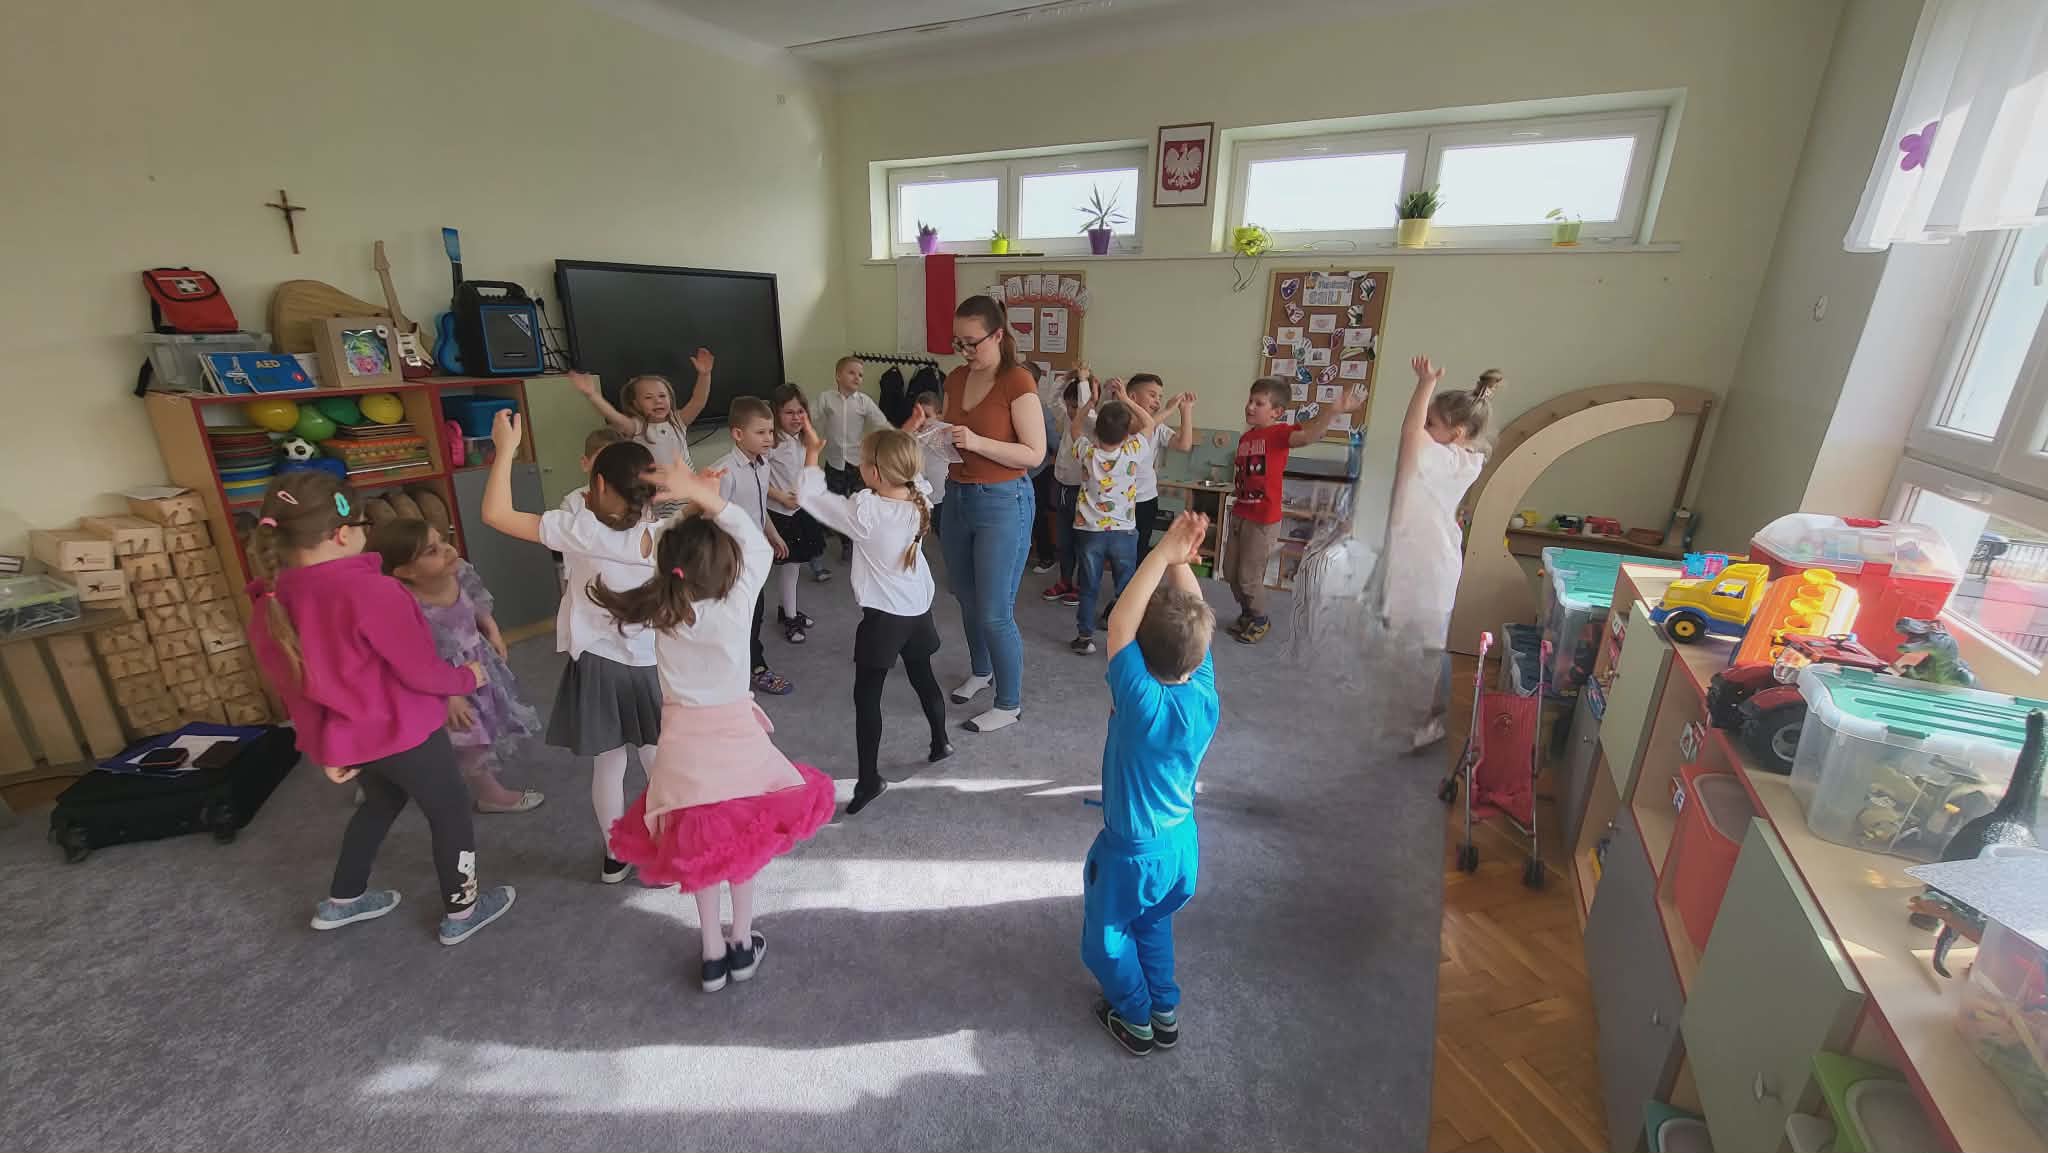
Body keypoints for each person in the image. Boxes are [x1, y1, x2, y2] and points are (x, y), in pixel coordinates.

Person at [588, 452, 836, 993]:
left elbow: (664, 548)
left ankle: (711, 952)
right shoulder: (736, 605)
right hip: (738, 747)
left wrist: (686, 505)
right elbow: (752, 539)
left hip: (684, 753)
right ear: (728, 569)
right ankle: (741, 943)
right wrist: (703, 496)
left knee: (698, 851)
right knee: (743, 849)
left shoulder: (662, 608)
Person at [245, 471, 516, 945]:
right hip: (407, 732)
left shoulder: (271, 600)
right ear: (341, 533)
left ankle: (344, 899)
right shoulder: (374, 592)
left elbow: (293, 689)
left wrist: (323, 749)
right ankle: (463, 910)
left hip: (354, 739)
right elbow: (419, 671)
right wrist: (465, 678)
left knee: (382, 802)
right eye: (364, 524)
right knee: (451, 810)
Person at [480, 416, 661, 885]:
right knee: (660, 762)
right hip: (653, 664)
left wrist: (506, 449)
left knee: (609, 764)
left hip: (599, 663)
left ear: (596, 485)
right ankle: (668, 850)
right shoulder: (664, 534)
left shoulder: (578, 529)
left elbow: (496, 514)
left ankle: (615, 855)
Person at [1081, 510, 1219, 1055]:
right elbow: (1192, 623)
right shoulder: (1205, 694)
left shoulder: (1140, 703)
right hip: (1181, 847)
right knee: (1153, 923)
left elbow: (1119, 623)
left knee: (1106, 943)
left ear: (1139, 657)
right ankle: (1164, 1007)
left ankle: (1136, 1015)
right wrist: (1181, 561)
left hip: (1131, 855)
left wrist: (1164, 552)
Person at [796, 417, 953, 815]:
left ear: (875, 473)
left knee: (867, 697)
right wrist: (906, 434)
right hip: (918, 610)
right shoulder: (920, 495)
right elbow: (904, 470)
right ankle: (941, 741)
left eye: (863, 462)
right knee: (923, 676)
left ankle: (870, 781)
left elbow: (812, 497)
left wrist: (812, 454)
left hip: (884, 619)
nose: (858, 466)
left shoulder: (865, 513)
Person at [372, 519, 544, 815]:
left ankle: (388, 775)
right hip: (441, 680)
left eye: (443, 540)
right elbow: (420, 659)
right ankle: (490, 795)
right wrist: (450, 694)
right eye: (432, 551)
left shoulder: (458, 571)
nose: (448, 549)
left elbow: (476, 602)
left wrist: (492, 630)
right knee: (468, 737)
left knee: (486, 721)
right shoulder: (407, 605)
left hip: (477, 665)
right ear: (405, 572)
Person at [1377, 357, 1500, 749]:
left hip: (1428, 564)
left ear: (1456, 433)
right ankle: (1415, 713)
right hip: (1419, 557)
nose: (1426, 429)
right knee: (1408, 641)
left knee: (1425, 646)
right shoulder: (1457, 458)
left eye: (1433, 424)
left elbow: (1409, 434)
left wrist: (1425, 384)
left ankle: (1431, 720)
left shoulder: (1451, 459)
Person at [941, 294, 1046, 733]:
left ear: (998, 335)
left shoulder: (1017, 381)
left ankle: (1009, 703)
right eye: (958, 342)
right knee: (965, 597)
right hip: (956, 496)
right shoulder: (955, 378)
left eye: (972, 342)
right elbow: (952, 434)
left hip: (1003, 501)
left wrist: (977, 442)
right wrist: (934, 436)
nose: (965, 351)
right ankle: (981, 671)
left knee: (994, 610)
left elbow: (1035, 453)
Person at [1224, 377, 1368, 645]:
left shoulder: (1279, 434)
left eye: (1259, 403)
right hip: (1240, 514)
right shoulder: (1246, 437)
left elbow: (1309, 435)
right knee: (1230, 572)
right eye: (1250, 401)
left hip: (1262, 519)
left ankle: (1259, 618)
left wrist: (1333, 411)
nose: (1250, 406)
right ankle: (1247, 613)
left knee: (1248, 576)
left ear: (1276, 412)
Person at [714, 396, 795, 696]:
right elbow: (713, 519)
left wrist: (773, 535)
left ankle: (746, 663)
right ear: (738, 434)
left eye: (770, 431)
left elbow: (758, 508)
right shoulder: (725, 472)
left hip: (754, 556)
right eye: (760, 432)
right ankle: (753, 668)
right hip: (731, 559)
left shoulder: (762, 466)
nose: (768, 438)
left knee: (755, 610)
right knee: (739, 614)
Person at [1066, 387, 1155, 655]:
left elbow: (1074, 427)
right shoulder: (1132, 451)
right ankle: (1127, 638)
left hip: (1090, 531)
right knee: (1126, 588)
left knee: (1088, 586)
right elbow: (1149, 423)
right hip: (1123, 532)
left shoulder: (1087, 452)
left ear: (1096, 431)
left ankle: (1084, 637)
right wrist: (1127, 399)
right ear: (1127, 433)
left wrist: (1088, 405)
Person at [570, 355, 715, 475]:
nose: (658, 401)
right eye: (648, 397)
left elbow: (698, 401)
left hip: (685, 486)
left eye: (662, 396)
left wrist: (704, 375)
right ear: (636, 404)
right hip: (653, 491)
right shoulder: (636, 427)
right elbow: (613, 416)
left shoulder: (678, 421)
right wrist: (592, 395)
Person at [813, 356, 893, 562]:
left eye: (860, 375)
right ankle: (846, 542)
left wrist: (899, 437)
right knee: (838, 504)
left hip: (858, 463)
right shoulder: (826, 398)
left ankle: (863, 540)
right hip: (834, 462)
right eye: (851, 373)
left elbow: (881, 423)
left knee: (862, 502)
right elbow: (810, 417)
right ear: (838, 376)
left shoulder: (864, 402)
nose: (857, 377)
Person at [765, 384, 832, 628]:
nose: (796, 418)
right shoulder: (770, 443)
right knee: (783, 567)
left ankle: (788, 611)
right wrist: (781, 497)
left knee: (792, 568)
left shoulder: (804, 439)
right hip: (778, 514)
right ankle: (788, 616)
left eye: (800, 412)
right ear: (776, 414)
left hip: (798, 512)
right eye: (789, 412)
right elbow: (759, 481)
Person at [1123, 374, 1199, 560]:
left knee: (1141, 547)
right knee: (1122, 549)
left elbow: (1184, 445)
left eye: (1160, 397)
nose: (1157, 401)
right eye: (1152, 395)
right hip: (1122, 499)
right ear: (1132, 397)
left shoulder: (1158, 427)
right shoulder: (1121, 421)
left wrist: (1185, 411)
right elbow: (1139, 429)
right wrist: (1168, 409)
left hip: (1146, 499)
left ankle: (1138, 577)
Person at [1039, 375, 1091, 607]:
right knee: (1064, 541)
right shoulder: (1067, 420)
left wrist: (1084, 382)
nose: (1071, 411)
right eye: (1070, 406)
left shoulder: (1093, 424)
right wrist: (1067, 378)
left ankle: (1081, 586)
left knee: (1083, 543)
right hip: (1061, 487)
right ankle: (1065, 581)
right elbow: (1052, 400)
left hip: (1083, 492)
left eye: (1077, 406)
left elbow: (1087, 407)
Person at [905, 391, 952, 544]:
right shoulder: (911, 433)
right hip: (918, 494)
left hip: (940, 493)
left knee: (941, 530)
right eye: (918, 415)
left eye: (927, 415)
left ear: (939, 416)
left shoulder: (945, 433)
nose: (922, 420)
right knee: (915, 532)